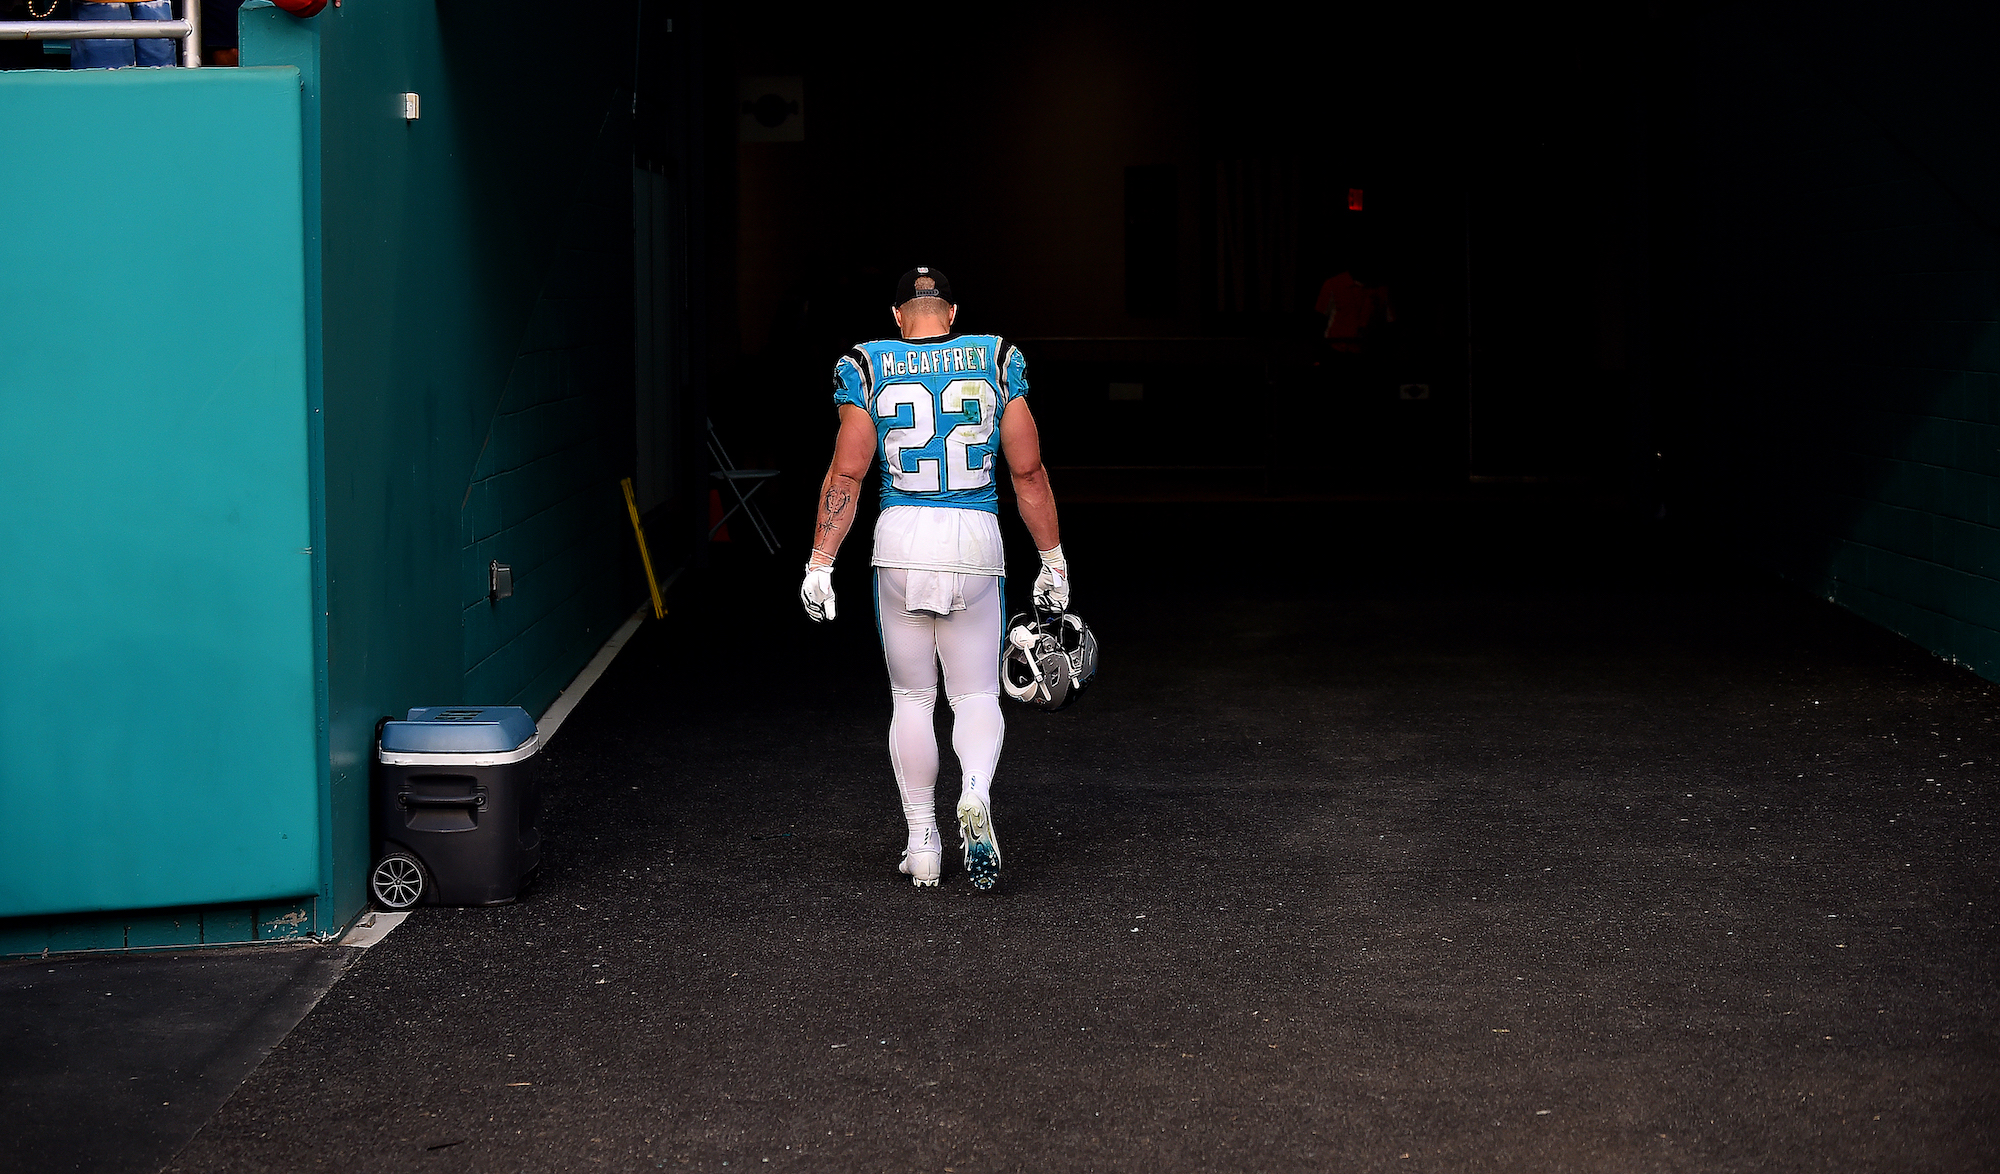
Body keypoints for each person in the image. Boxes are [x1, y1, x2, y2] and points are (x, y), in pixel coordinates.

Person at [800, 267, 1068, 891]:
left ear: (898, 316)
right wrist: (1052, 558)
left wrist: (820, 562)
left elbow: (847, 474)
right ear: (951, 315)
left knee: (912, 698)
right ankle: (974, 792)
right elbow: (1027, 473)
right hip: (973, 535)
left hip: (900, 539)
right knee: (975, 695)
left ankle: (923, 841)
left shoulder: (867, 364)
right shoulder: (995, 357)